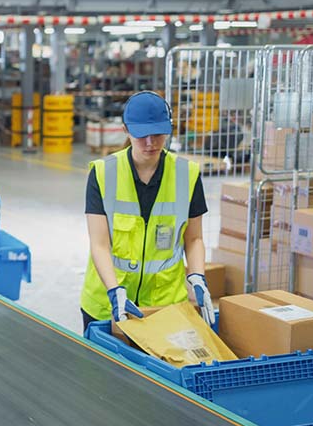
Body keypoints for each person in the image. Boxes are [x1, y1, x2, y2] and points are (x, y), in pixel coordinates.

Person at [80, 91, 215, 329]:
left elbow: (194, 238)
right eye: (142, 135)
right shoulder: (103, 173)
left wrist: (197, 277)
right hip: (106, 304)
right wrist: (114, 292)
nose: (151, 142)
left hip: (164, 306)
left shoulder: (187, 174)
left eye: (158, 133)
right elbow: (99, 244)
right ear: (126, 130)